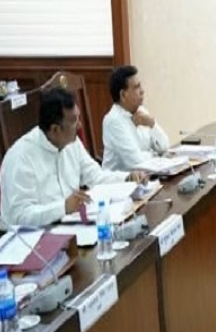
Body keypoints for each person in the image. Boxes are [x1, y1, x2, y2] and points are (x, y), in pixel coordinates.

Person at [0, 88, 144, 229]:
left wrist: (127, 178)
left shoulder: (72, 143)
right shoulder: (20, 157)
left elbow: (95, 177)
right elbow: (19, 216)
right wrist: (63, 207)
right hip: (28, 239)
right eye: (74, 121)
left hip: (70, 227)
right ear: (55, 129)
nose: (80, 125)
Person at [102, 65, 169, 170]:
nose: (142, 91)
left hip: (146, 178)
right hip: (120, 183)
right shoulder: (113, 121)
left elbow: (164, 147)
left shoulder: (141, 111)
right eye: (137, 87)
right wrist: (155, 155)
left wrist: (152, 124)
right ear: (123, 95)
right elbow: (136, 163)